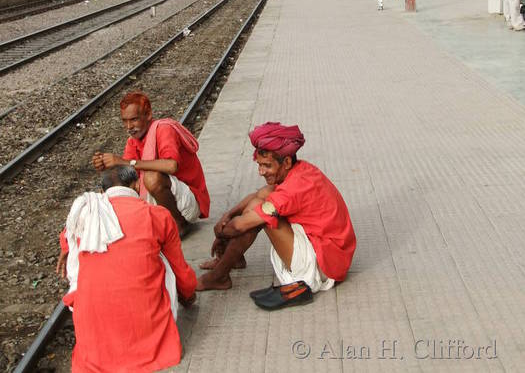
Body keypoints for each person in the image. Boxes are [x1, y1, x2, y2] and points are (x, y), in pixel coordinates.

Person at [196, 122, 356, 310]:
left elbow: (241, 226)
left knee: (258, 216)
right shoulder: (299, 170)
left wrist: (221, 234)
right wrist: (227, 215)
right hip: (332, 250)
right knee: (259, 204)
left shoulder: (292, 191)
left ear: (286, 162)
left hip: (326, 264)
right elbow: (259, 194)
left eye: (266, 166)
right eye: (259, 165)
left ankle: (219, 276)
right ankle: (234, 258)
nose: (261, 171)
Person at [56, 166, 196, 372]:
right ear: (137, 186)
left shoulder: (87, 213)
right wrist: (188, 293)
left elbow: (68, 235)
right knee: (161, 259)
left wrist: (67, 247)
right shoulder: (157, 215)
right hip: (144, 326)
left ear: (103, 193)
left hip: (93, 339)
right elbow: (179, 268)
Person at [92, 91, 210, 236]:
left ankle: (178, 224)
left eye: (134, 119)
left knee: (152, 178)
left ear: (148, 115)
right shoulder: (133, 140)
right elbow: (126, 177)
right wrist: (105, 168)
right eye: (125, 121)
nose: (129, 126)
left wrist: (124, 161)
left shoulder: (163, 130)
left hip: (187, 204)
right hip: (168, 198)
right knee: (108, 190)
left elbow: (171, 166)